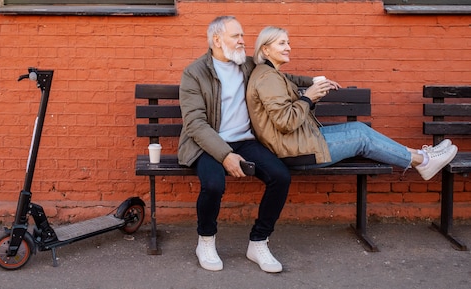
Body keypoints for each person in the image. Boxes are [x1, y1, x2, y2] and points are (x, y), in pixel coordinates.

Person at [245, 26, 458, 180]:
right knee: (361, 137)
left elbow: (291, 79)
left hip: (299, 142)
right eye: (282, 43)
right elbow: (285, 122)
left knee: (357, 128)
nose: (289, 47)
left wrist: (314, 81)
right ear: (265, 50)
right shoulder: (268, 78)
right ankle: (424, 162)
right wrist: (308, 97)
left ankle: (422, 155)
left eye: (288, 42)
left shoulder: (270, 73)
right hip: (295, 151)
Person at [178, 16, 302, 273]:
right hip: (208, 143)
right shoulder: (194, 73)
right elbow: (195, 124)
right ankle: (206, 240)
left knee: (280, 176)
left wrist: (315, 83)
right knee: (213, 184)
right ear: (216, 40)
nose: (243, 41)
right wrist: (225, 156)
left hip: (245, 141)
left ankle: (258, 241)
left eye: (242, 35)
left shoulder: (248, 65)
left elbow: (282, 77)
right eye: (236, 36)